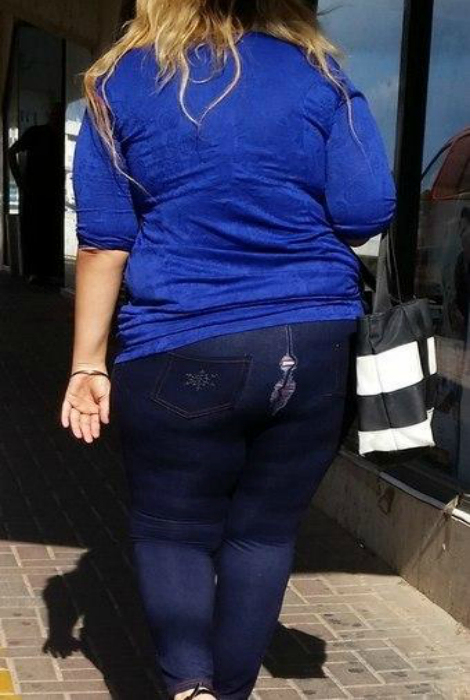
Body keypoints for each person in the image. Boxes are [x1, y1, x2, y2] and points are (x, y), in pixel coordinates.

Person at [60, 1, 396, 699]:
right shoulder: (319, 74)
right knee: (264, 535)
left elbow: (104, 241)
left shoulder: (119, 82)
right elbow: (365, 210)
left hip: (183, 339)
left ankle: (191, 688)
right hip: (314, 338)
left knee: (174, 532)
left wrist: (87, 363)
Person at [8, 102, 64, 284]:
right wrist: (20, 183)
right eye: (55, 114)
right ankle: (35, 271)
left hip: (54, 193)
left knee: (52, 231)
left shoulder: (60, 137)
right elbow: (11, 152)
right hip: (36, 192)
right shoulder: (37, 133)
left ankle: (50, 271)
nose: (57, 118)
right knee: (36, 230)